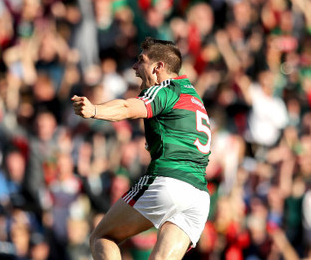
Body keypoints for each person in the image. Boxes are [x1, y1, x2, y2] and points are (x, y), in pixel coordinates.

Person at [72, 37, 211, 260]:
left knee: (102, 236)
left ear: (158, 67)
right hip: (198, 196)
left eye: (141, 60)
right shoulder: (194, 98)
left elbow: (128, 106)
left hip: (168, 181)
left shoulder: (166, 89)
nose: (135, 67)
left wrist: (95, 110)